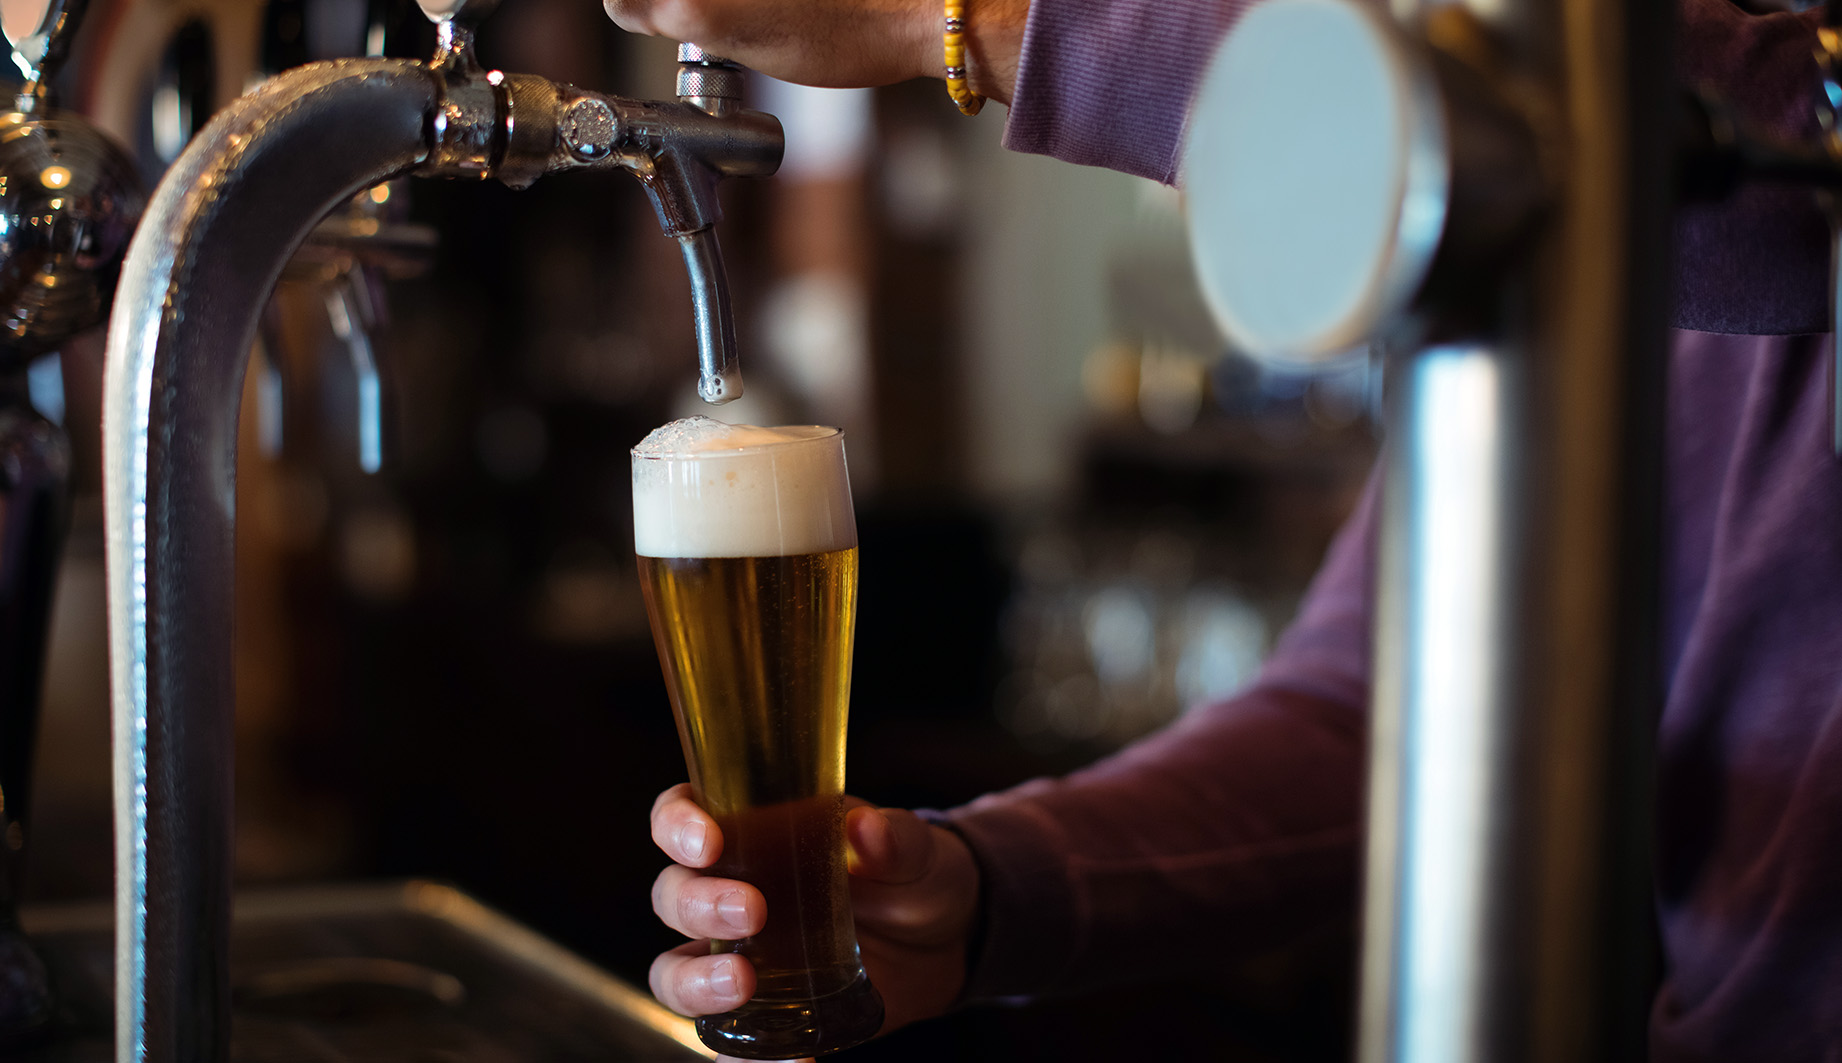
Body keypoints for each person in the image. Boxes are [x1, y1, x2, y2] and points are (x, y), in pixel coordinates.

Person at [608, 0, 1842, 1058]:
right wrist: (982, 891)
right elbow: (1382, 712)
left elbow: (1770, 168)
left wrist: (967, 20)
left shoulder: (1680, 123)